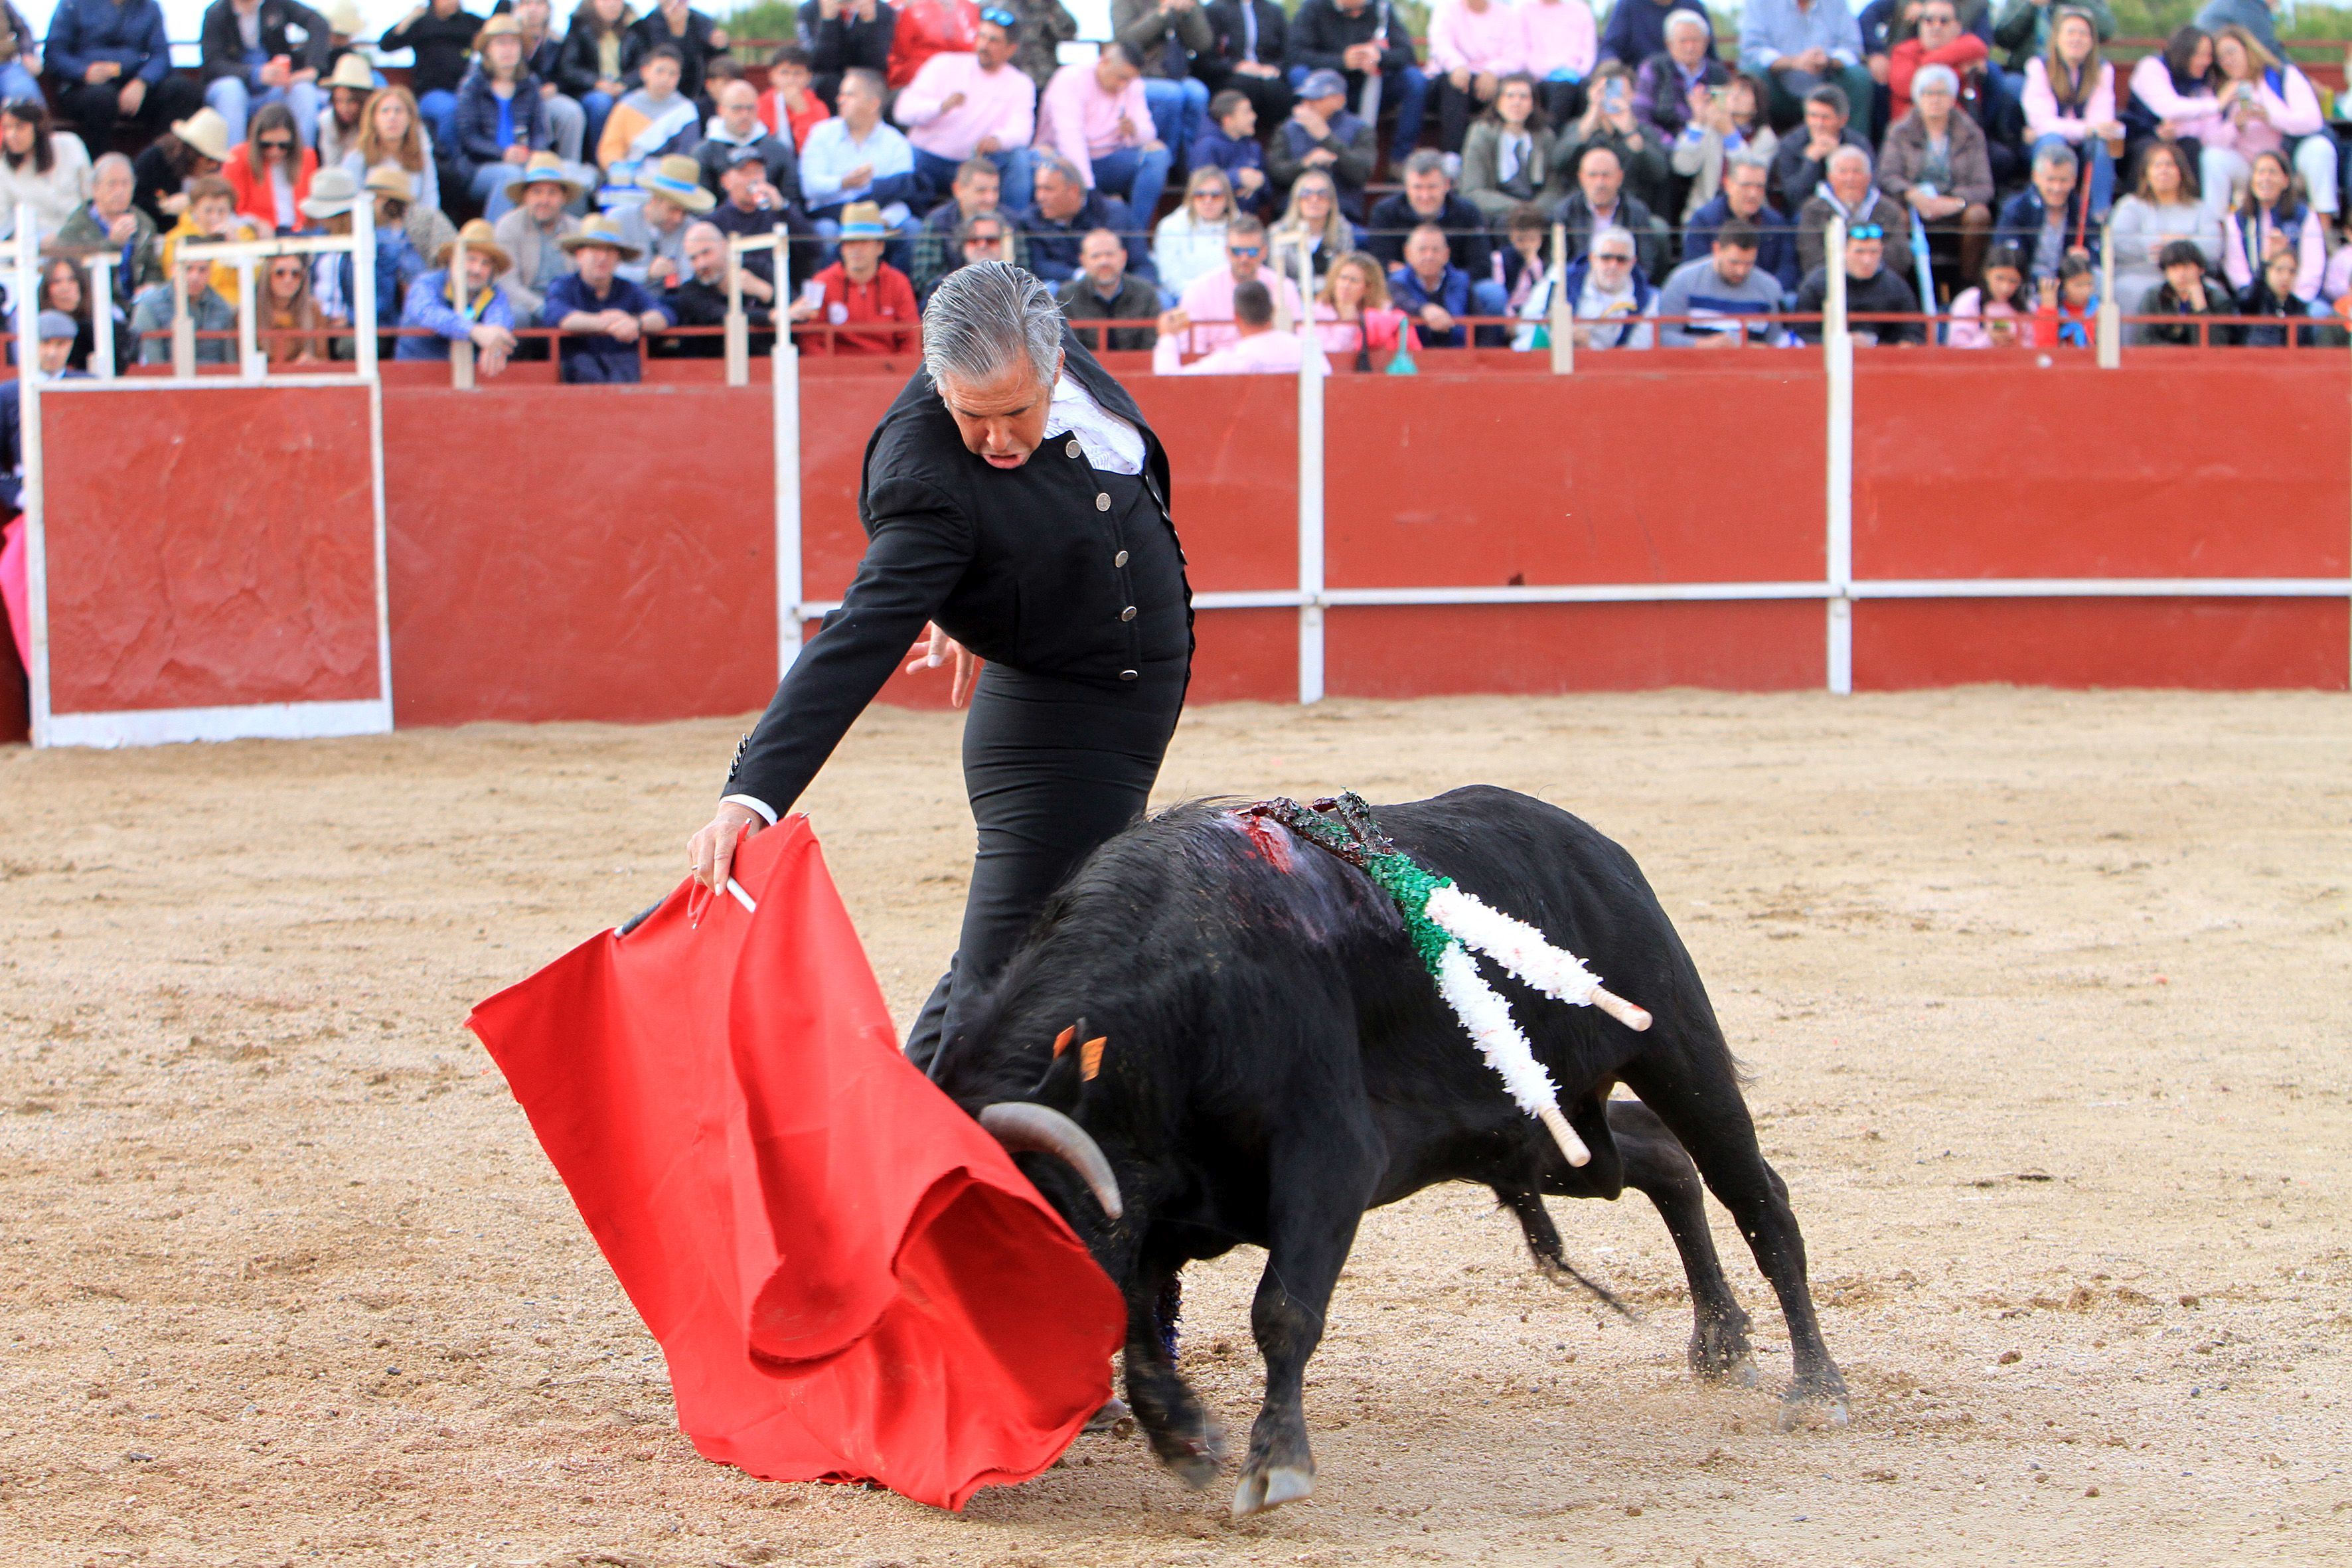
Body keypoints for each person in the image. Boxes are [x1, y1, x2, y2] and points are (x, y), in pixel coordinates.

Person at [691, 261, 1192, 1085]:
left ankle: (900, 1153)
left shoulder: (1032, 333)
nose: (996, 439)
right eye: (971, 415)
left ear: (1055, 363)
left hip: (1107, 718)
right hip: (1057, 737)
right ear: (937, 381)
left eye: (1015, 413)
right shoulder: (924, 478)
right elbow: (856, 637)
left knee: (1000, 967)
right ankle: (935, 1186)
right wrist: (752, 797)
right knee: (1007, 1002)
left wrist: (985, 601)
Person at [894, 7, 1036, 211]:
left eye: (994, 40)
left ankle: (1011, 228)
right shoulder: (943, 64)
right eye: (982, 36)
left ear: (1011, 49)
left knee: (1019, 159)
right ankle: (910, 227)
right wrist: (940, 107)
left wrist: (998, 140)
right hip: (930, 162)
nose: (984, 45)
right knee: (902, 154)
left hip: (978, 166)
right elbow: (902, 112)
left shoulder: (1020, 83)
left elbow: (1022, 131)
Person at [2201, 25, 2335, 228]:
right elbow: (2208, 140)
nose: (2228, 61)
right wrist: (2234, 126)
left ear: (2248, 49)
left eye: (2231, 52)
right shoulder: (2218, 89)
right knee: (2212, 158)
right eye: (2221, 58)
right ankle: (2215, 233)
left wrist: (2269, 116)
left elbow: (2312, 121)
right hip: (2246, 164)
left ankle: (2323, 229)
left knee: (2320, 148)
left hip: (2286, 160)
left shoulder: (2282, 76)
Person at [1879, 63, 1994, 287]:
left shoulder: (1971, 134)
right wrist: (1913, 195)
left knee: (1979, 215)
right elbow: (1887, 176)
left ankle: (1967, 286)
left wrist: (1956, 201)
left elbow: (1984, 186)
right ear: (1917, 97)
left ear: (1952, 99)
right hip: (1914, 205)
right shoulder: (1899, 131)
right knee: (1895, 215)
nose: (1934, 100)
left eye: (1941, 93)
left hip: (1954, 207)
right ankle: (1899, 285)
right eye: (1928, 93)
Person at [1285, 0, 1427, 177]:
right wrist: (1342, 62)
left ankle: (1400, 159)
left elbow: (1407, 54)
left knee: (1415, 79)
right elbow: (1294, 55)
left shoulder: (1380, 7)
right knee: (1299, 75)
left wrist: (1379, 57)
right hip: (1327, 89)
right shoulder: (1313, 8)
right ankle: (1308, 149)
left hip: (1373, 88)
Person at [42, 0, 203, 155]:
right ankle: (100, 169)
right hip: (86, 87)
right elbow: (54, 53)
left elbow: (161, 55)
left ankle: (161, 164)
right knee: (101, 99)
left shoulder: (149, 7)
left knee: (180, 89)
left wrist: (142, 81)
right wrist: (84, 72)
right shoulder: (72, 4)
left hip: (134, 83)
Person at [1038, 42, 1171, 229]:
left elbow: (1148, 133)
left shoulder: (1132, 85)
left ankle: (1133, 234)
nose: (1124, 85)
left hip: (1109, 161)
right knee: (1041, 159)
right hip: (1063, 162)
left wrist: (1135, 131)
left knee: (1158, 156)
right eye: (1121, 78)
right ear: (1105, 62)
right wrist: (1088, 191)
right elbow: (1070, 140)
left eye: (1129, 80)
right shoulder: (1070, 79)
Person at [799, 66, 919, 251]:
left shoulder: (897, 144)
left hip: (880, 219)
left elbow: (903, 194)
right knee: (825, 231)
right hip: (832, 217)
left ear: (873, 104)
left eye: (849, 95)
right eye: (841, 94)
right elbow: (810, 187)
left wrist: (881, 222)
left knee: (913, 228)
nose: (840, 100)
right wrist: (844, 183)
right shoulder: (821, 134)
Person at [544, 211, 675, 380]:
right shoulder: (563, 286)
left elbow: (665, 314)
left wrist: (637, 323)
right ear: (579, 255)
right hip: (577, 377)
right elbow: (557, 315)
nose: (603, 257)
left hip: (625, 374)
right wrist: (612, 324)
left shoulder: (628, 289)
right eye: (595, 249)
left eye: (610, 251)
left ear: (618, 258)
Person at [451, 15, 555, 221]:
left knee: (559, 176)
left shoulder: (530, 83)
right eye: (500, 43)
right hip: (480, 168)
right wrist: (503, 154)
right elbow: (468, 137)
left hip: (525, 161)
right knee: (511, 177)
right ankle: (495, 244)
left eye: (513, 43)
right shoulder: (471, 86)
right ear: (487, 50)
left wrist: (534, 153)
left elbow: (540, 132)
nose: (508, 50)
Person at [2021, 7, 2120, 221]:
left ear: (2092, 40)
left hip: (2085, 143)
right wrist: (2085, 129)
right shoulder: (2039, 67)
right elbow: (2041, 122)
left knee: (2101, 145)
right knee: (2052, 141)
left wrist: (2088, 130)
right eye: (2071, 33)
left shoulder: (2103, 70)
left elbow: (2101, 123)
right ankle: (2042, 214)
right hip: (2048, 141)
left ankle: (2100, 216)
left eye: (2083, 34)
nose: (2077, 39)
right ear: (2057, 38)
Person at [789, 198, 917, 352]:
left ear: (880, 247)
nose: (856, 249)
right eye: (850, 242)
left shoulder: (898, 282)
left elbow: (911, 339)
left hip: (891, 372)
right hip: (834, 373)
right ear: (842, 248)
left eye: (864, 242)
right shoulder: (821, 282)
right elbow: (811, 341)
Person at [198, 0, 330, 149]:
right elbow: (213, 64)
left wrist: (312, 68)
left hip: (275, 89)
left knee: (303, 91)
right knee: (231, 91)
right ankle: (233, 164)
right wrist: (255, 74)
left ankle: (302, 163)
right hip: (233, 89)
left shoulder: (276, 4)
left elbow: (318, 23)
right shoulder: (216, 13)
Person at [2106, 140, 2219, 313]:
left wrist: (2180, 246)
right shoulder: (2130, 205)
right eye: (2157, 165)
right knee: (2128, 291)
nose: (2164, 170)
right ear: (2147, 174)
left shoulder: (2200, 209)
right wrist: (2160, 243)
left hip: (2190, 279)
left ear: (2181, 172)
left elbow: (2214, 248)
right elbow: (2118, 242)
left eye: (2170, 165)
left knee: (2216, 293)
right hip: (2139, 276)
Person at [398, 216, 518, 368]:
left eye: (485, 263)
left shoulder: (494, 293)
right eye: (471, 260)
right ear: (452, 260)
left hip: (472, 376)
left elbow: (500, 318)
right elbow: (428, 312)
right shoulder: (427, 283)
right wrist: (474, 331)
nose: (477, 270)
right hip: (416, 373)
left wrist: (494, 340)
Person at [0, 313, 92, 510]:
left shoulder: (90, 386)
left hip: (86, 490)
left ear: (71, 345)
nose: (52, 352)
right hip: (29, 490)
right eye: (45, 343)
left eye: (61, 344)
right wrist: (18, 496)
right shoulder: (7, 395)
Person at [1555, 61, 1671, 216]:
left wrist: (1630, 133)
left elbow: (1659, 173)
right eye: (1604, 91)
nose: (1611, 97)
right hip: (1582, 211)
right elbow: (1558, 163)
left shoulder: (1644, 132)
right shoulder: (1578, 128)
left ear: (1632, 96)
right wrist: (1588, 123)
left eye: (1618, 92)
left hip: (1630, 211)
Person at [1176, 212, 1305, 350]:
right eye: (1237, 251)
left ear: (1264, 252)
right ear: (1226, 252)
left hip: (1271, 365)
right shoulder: (1199, 290)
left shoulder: (1284, 288)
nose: (1244, 259)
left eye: (1252, 252)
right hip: (1218, 367)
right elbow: (1191, 349)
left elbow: (1298, 342)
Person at [1741, 0, 1871, 134]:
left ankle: (1854, 146)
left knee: (1859, 77)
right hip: (1777, 89)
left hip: (1826, 84)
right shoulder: (1759, 3)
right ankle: (1755, 143)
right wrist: (1794, 62)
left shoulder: (1837, 3)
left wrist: (1827, 60)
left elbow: (1851, 50)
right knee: (1752, 74)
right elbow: (1753, 51)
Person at [1366, 149, 1495, 283]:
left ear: (1447, 185)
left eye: (1432, 187)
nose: (1425, 196)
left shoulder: (1468, 212)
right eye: (1418, 187)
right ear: (1406, 187)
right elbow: (1380, 266)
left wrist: (1439, 278)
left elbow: (1482, 267)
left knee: (1490, 292)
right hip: (1402, 287)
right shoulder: (1385, 212)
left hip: (1457, 287)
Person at [1152, 275, 1326, 372]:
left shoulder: (1229, 361)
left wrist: (1167, 336)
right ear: (1273, 311)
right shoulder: (1307, 351)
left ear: (1236, 317)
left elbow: (1168, 379)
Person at [1266, 68, 1374, 222]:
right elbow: (1275, 173)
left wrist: (1326, 138)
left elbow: (1361, 174)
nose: (1308, 104)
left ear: (1340, 100)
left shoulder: (1361, 129)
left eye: (1316, 99)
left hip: (1342, 215)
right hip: (1293, 216)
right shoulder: (1287, 129)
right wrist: (1305, 164)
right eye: (1305, 98)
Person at [59, 151, 166, 305]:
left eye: (125, 184)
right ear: (95, 188)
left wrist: (151, 285)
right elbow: (76, 277)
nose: (120, 191)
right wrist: (112, 244)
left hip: (138, 304)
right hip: (94, 305)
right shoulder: (77, 227)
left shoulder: (144, 224)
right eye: (112, 184)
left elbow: (154, 269)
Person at [1551, 141, 1670, 280]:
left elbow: (1645, 264)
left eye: (1606, 176)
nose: (1600, 183)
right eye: (1593, 175)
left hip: (1624, 286)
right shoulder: (1566, 211)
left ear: (1619, 178)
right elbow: (1560, 264)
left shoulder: (1636, 211)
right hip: (1580, 287)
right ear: (1581, 178)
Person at [1792, 216, 1922, 342]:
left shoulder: (1896, 286)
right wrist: (1844, 343)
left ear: (1881, 251)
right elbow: (1804, 335)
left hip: (1882, 360)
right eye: (1859, 252)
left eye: (1874, 252)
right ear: (1843, 251)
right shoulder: (1817, 285)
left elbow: (1912, 333)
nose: (1867, 260)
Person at [1682, 151, 1798, 292]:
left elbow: (1787, 269)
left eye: (1759, 187)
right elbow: (1695, 270)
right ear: (1728, 185)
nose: (1753, 194)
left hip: (1764, 298)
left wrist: (1768, 292)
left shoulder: (1775, 222)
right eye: (1746, 186)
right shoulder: (1705, 220)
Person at [1656, 215, 1782, 344]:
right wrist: (1704, 345)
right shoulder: (1683, 281)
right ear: (1717, 249)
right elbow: (1663, 337)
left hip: (1750, 363)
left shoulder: (1769, 288)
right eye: (1734, 263)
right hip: (1695, 362)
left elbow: (1777, 343)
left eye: (1749, 263)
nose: (1741, 271)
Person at [1112, 0, 1212, 161]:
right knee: (1171, 94)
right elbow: (1125, 39)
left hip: (1179, 75)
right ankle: (1165, 160)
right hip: (1140, 76)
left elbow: (1203, 44)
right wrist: (1161, 14)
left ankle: (1192, 162)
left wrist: (1189, 13)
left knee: (1198, 93)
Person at [912, 155, 1026, 296]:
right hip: (952, 302)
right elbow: (925, 279)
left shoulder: (1010, 222)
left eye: (995, 190)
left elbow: (1024, 273)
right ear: (958, 190)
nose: (991, 198)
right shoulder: (938, 222)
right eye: (982, 191)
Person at [1670, 70, 1774, 220]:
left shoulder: (1765, 137)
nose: (1735, 96)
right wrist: (1698, 123)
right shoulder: (1708, 129)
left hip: (1748, 215)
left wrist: (1730, 133)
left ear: (1757, 104)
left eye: (1744, 92)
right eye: (1731, 90)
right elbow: (1683, 167)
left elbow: (1750, 173)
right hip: (1704, 213)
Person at [493, 150, 584, 321]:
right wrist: (542, 308)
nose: (544, 200)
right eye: (537, 192)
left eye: (552, 193)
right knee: (516, 315)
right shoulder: (508, 226)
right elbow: (507, 284)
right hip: (527, 305)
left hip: (571, 308)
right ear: (525, 196)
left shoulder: (578, 229)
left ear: (564, 197)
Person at [2221, 145, 2319, 303]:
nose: (2265, 179)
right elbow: (2237, 271)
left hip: (2297, 300)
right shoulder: (2238, 219)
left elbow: (2313, 268)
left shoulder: (2304, 216)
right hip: (2254, 300)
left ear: (2286, 180)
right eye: (2260, 172)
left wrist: (2293, 302)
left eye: (2272, 172)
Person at [380, 0, 481, 151]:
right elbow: (386, 45)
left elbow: (496, 31)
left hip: (466, 92)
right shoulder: (422, 22)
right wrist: (409, 19)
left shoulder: (469, 22)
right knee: (450, 110)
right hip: (431, 94)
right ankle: (451, 158)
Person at [662, 217, 773, 353]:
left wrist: (765, 292)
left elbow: (797, 307)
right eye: (693, 258)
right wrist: (771, 316)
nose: (701, 264)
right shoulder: (690, 291)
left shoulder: (759, 269)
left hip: (769, 362)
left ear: (725, 246)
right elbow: (719, 315)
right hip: (706, 368)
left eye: (706, 253)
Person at [2123, 27, 2221, 182]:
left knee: (2192, 147)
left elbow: (2207, 126)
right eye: (2200, 55)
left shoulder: (2202, 80)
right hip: (2141, 136)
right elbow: (2169, 108)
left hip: (2178, 138)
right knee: (2153, 151)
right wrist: (2219, 104)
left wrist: (2179, 130)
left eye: (2209, 56)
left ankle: (2190, 203)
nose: (2206, 62)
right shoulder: (2152, 67)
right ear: (2184, 53)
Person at [1018, 151, 1135, 280]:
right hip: (1064, 293)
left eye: (1048, 189)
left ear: (1073, 191)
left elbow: (1140, 264)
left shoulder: (1113, 213)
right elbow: (1039, 266)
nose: (1040, 197)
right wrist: (1080, 276)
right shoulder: (1031, 220)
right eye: (1038, 189)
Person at [597, 42, 703, 183]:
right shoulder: (627, 106)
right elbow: (611, 147)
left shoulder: (686, 111)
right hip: (629, 179)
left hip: (669, 183)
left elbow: (687, 152)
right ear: (645, 72)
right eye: (660, 71)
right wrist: (619, 167)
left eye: (673, 74)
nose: (666, 78)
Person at [1794, 143, 1904, 277]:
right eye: (1843, 172)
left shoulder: (1889, 210)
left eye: (1857, 172)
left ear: (1869, 177)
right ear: (1830, 177)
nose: (1850, 178)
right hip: (1829, 281)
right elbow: (1811, 256)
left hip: (1879, 283)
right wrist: (1851, 269)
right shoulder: (1813, 210)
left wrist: (1866, 270)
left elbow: (1900, 256)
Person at [1427, 0, 1522, 154]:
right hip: (1452, 80)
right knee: (1455, 87)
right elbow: (1440, 44)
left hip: (1492, 81)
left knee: (1511, 91)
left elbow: (1516, 56)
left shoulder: (1508, 15)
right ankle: (1453, 157)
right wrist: (1456, 65)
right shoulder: (1446, 9)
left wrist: (1493, 71)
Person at [1998, 139, 2098, 281]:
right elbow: (2006, 257)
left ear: (2074, 181)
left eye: (2063, 180)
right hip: (2025, 285)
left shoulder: (2083, 210)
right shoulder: (2016, 209)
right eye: (2050, 180)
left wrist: (2085, 259)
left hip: (2069, 286)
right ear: (2036, 177)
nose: (2057, 188)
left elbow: (2098, 254)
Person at [698, 78, 805, 210]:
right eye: (737, 109)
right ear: (721, 110)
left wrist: (781, 205)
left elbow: (794, 202)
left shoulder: (777, 150)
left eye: (750, 108)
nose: (745, 115)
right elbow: (699, 206)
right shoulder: (704, 153)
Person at [1460, 73, 1550, 226]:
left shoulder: (1545, 137)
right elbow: (1472, 190)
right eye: (1510, 96)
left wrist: (1536, 208)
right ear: (1498, 102)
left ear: (1533, 104)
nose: (1516, 103)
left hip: (1536, 210)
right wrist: (1517, 208)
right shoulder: (1481, 133)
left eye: (1523, 97)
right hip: (1497, 210)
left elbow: (1554, 186)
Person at [1633, 9, 1729, 152]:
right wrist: (1673, 145)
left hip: (1708, 145)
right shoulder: (1653, 68)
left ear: (1706, 42)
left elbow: (1724, 117)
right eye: (1683, 41)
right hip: (1665, 146)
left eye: (1695, 41)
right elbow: (1641, 118)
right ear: (1669, 44)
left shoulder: (1719, 74)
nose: (1690, 47)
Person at [0, 98, 92, 243]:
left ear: (38, 127)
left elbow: (91, 198)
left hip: (81, 240)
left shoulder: (71, 145)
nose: (12, 135)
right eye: (7, 127)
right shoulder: (3, 168)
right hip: (37, 248)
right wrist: (38, 239)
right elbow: (3, 223)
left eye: (20, 127)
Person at [163, 173, 265, 303]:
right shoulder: (177, 238)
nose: (215, 217)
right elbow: (173, 279)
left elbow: (253, 278)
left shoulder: (244, 235)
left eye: (221, 211)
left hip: (235, 306)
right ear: (195, 209)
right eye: (208, 211)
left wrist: (236, 246)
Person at [340, 86, 442, 215]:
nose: (392, 117)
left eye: (398, 111)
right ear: (373, 119)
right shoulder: (357, 157)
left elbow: (430, 202)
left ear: (410, 118)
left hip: (414, 227)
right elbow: (350, 203)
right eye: (385, 111)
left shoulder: (422, 156)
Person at [1768, 82, 1868, 212]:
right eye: (1813, 116)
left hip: (1850, 209)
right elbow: (1794, 198)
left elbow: (1869, 187)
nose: (1818, 124)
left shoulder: (1858, 144)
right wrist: (1810, 162)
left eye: (1825, 118)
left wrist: (1838, 158)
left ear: (1843, 120)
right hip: (1804, 213)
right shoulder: (1790, 144)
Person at [1887, 0, 1988, 123]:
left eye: (1944, 21)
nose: (1936, 26)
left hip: (1960, 133)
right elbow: (1909, 87)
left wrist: (1925, 64)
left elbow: (1978, 46)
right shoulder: (1903, 51)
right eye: (1929, 20)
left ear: (1958, 27)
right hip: (1911, 133)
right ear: (1920, 24)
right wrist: (1960, 71)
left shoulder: (1969, 45)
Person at [220, 102, 315, 234]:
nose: (275, 151)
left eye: (283, 145)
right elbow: (232, 208)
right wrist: (254, 223)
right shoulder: (239, 157)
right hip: (257, 233)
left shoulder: (307, 157)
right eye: (267, 145)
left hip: (300, 232)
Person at [1059, 225, 1158, 349]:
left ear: (1123, 257)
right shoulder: (1067, 296)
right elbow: (1071, 351)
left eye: (1110, 255)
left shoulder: (1146, 293)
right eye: (1096, 256)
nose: (1104, 262)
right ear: (1083, 261)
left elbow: (1151, 346)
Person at [615, 153, 708, 285]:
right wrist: (647, 273)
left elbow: (690, 277)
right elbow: (605, 270)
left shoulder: (693, 229)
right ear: (654, 200)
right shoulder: (619, 220)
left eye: (685, 212)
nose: (678, 219)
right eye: (673, 209)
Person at [1200, 0, 1293, 131]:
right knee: (1245, 88)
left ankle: (1276, 141)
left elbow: (1289, 53)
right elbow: (1206, 58)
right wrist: (1235, 66)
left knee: (1276, 90)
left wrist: (1275, 68)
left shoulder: (1274, 11)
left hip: (1267, 73)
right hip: (1228, 75)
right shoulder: (1216, 9)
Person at [131, 251, 238, 364]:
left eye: (202, 270)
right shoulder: (149, 306)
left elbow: (230, 362)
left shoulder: (222, 308)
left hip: (215, 380)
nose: (195, 277)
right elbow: (153, 364)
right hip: (167, 380)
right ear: (173, 269)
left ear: (210, 271)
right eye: (188, 269)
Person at [1309, 246, 1413, 362]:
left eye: (1354, 281)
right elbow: (1328, 356)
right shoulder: (1317, 312)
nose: (1346, 285)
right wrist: (1347, 324)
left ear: (1368, 288)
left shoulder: (1382, 313)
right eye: (1343, 278)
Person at [560, 0, 635, 155]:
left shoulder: (633, 28)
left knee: (632, 102)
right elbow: (569, 68)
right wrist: (596, 83)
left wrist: (624, 84)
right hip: (590, 91)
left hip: (622, 88)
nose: (613, 4)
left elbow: (642, 66)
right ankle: (600, 159)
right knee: (601, 103)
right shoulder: (579, 28)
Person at [624, 0, 729, 106]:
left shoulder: (704, 23)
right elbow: (635, 67)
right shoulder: (641, 28)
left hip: (699, 96)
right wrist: (676, 34)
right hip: (654, 96)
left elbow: (718, 62)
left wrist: (721, 47)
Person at [1154, 165, 1235, 299]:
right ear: (1191, 198)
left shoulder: (1241, 228)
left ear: (1227, 199)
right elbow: (1170, 279)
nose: (1208, 201)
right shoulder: (1170, 227)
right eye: (1200, 195)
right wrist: (1200, 296)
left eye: (1215, 196)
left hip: (1230, 297)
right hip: (1185, 297)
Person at [2134, 235, 2233, 345]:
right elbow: (2144, 340)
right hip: (2162, 360)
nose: (2181, 275)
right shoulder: (2153, 296)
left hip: (2202, 361)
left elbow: (2216, 347)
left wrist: (2201, 308)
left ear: (2201, 269)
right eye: (2174, 269)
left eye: (2186, 267)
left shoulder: (2218, 299)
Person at [1385, 219, 1471, 345]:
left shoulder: (1462, 281)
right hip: (1410, 358)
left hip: (1458, 357)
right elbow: (1402, 301)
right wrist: (1423, 310)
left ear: (1446, 254)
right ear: (1408, 253)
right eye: (1422, 250)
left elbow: (1482, 328)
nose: (1429, 256)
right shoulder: (1396, 282)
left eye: (1435, 250)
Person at [1269, 167, 1356, 283]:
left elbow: (1345, 275)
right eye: (1306, 194)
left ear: (1331, 201)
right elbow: (1276, 277)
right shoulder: (1279, 232)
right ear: (1297, 200)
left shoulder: (1343, 230)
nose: (1314, 199)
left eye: (1322, 194)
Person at [1522, 0, 1601, 126]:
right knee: (1562, 90)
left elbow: (1589, 52)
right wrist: (1552, 71)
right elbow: (1522, 52)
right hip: (1540, 78)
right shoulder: (1524, 10)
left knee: (1588, 90)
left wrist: (1577, 72)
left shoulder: (1581, 10)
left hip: (1576, 76)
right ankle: (1552, 137)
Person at [1192, 89, 1268, 212]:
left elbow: (1267, 194)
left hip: (1247, 221)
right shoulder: (1207, 146)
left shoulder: (1254, 147)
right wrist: (1238, 178)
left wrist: (1260, 181)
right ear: (1228, 120)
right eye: (1247, 112)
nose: (1254, 116)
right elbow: (1199, 184)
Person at [1992, 0, 2113, 76]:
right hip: (2025, 73)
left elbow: (2106, 30)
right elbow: (2003, 38)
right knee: (2010, 89)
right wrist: (2030, 6)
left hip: (2078, 75)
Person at [1948, 242, 2034, 345]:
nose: (2005, 288)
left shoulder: (2028, 306)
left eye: (2013, 281)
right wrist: (1989, 338)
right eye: (1999, 278)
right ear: (1987, 273)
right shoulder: (1968, 302)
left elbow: (2036, 348)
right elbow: (1957, 351)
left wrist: (2015, 343)